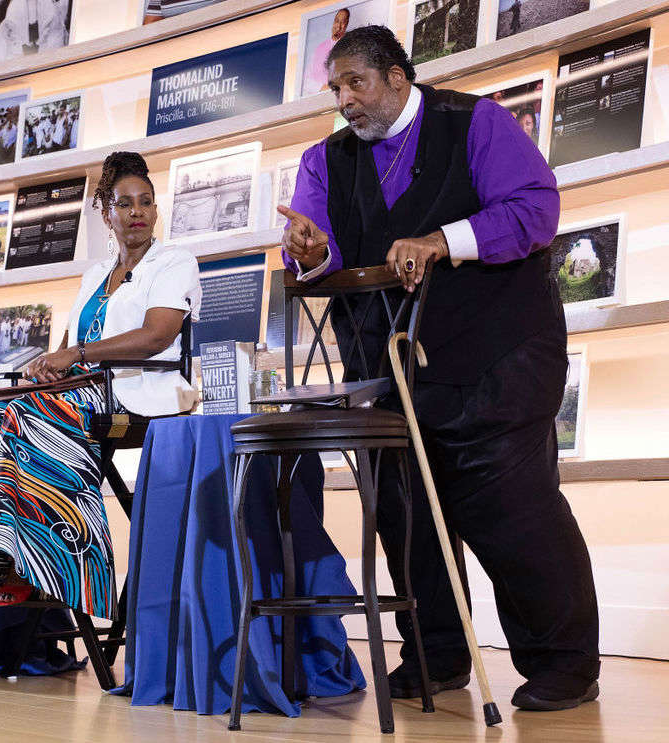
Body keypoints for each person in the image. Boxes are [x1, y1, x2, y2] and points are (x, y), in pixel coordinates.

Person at [279, 26, 600, 712]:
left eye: (356, 83)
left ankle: (564, 664)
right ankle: (436, 655)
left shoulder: (476, 123)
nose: (344, 100)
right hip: (388, 369)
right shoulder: (322, 161)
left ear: (398, 77)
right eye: (335, 88)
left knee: (512, 509)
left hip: (498, 355)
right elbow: (315, 248)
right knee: (407, 517)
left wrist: (442, 240)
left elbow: (536, 209)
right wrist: (307, 252)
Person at [0, 151, 201, 615]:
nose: (137, 212)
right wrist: (51, 365)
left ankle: (49, 561)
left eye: (145, 202)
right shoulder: (94, 274)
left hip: (139, 391)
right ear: (106, 214)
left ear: (155, 210)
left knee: (25, 415)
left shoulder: (174, 261)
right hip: (82, 387)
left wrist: (77, 355)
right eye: (124, 203)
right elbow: (69, 346)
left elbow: (157, 336)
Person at [302, 7, 350, 96]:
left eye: (343, 22)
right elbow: (305, 81)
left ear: (346, 24)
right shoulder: (319, 48)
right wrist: (324, 88)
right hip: (318, 97)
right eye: (337, 21)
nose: (338, 26)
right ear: (333, 22)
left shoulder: (349, 47)